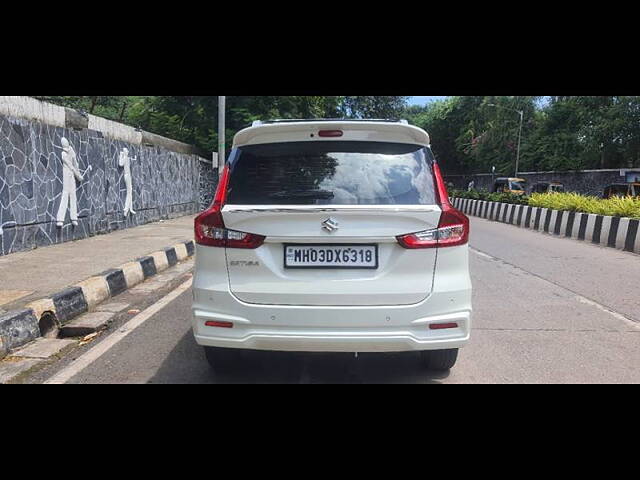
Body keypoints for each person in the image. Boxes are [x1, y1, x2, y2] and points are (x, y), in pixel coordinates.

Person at [56, 137, 84, 227]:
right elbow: (71, 166)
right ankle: (60, 219)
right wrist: (78, 176)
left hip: (72, 175)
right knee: (65, 194)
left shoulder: (71, 150)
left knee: (73, 195)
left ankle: (74, 217)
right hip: (66, 173)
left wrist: (78, 173)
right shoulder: (63, 154)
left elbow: (75, 163)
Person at [119, 148, 137, 217]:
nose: (128, 151)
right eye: (126, 151)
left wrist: (134, 159)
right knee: (129, 192)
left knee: (130, 191)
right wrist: (121, 155)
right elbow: (120, 164)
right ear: (125, 152)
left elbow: (132, 160)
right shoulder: (125, 158)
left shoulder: (127, 158)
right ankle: (126, 208)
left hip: (128, 175)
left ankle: (130, 208)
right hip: (126, 175)